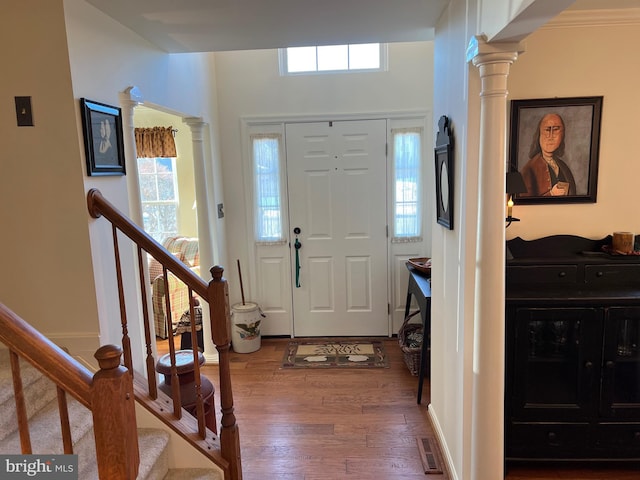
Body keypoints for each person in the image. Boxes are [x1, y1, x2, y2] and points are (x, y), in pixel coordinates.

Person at [520, 113, 576, 197]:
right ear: (539, 134)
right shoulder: (529, 168)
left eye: (556, 130)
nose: (551, 136)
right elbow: (523, 202)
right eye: (547, 130)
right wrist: (551, 194)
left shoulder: (563, 167)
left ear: (562, 135)